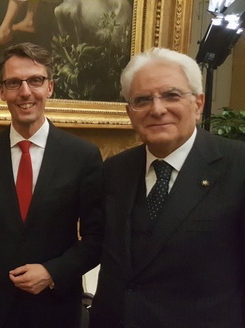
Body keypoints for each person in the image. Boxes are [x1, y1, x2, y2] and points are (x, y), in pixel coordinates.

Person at [89, 48, 245, 327]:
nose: (157, 109)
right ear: (129, 112)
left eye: (171, 95)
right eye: (143, 99)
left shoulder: (238, 166)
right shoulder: (114, 170)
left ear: (198, 104)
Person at [0, 42, 103, 328]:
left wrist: (52, 272)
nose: (25, 92)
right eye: (14, 83)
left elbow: (98, 237)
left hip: (56, 308)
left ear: (50, 87)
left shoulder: (83, 156)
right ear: (2, 91)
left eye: (36, 81)